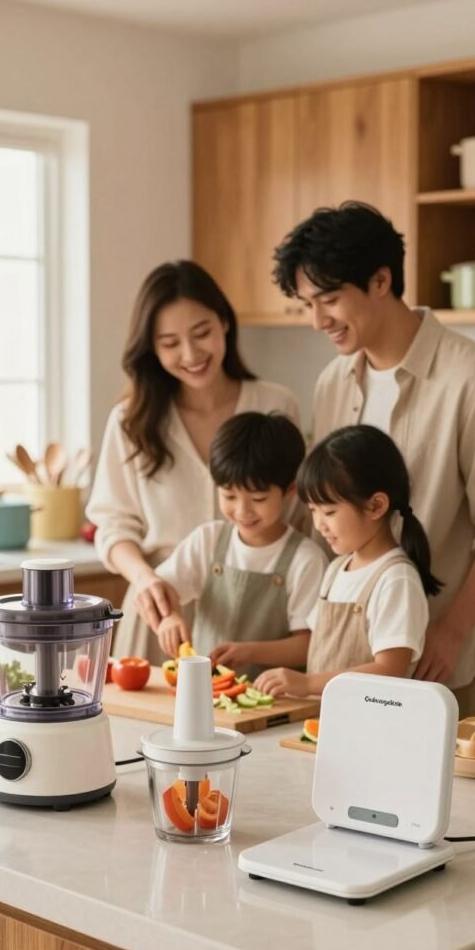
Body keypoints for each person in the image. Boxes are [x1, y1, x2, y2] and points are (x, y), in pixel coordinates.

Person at [271, 201, 475, 716]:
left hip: (438, 662)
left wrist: (452, 630)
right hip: (342, 668)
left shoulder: (474, 379)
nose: (316, 320)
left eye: (328, 299)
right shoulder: (333, 382)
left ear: (380, 280)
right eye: (307, 304)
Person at [86, 260, 304, 664]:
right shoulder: (130, 420)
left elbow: (299, 513)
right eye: (169, 343)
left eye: (201, 332)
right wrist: (146, 579)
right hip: (162, 613)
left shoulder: (275, 404)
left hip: (258, 612)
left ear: (224, 323)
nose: (190, 354)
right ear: (151, 347)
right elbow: (113, 525)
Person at [254, 425, 439, 698]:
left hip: (368, 730)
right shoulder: (336, 570)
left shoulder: (396, 579)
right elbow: (318, 647)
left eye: (329, 511)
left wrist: (307, 684)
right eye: (313, 510)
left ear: (376, 506)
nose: (318, 525)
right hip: (324, 722)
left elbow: (390, 668)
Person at [152, 412, 327, 678]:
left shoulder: (305, 559)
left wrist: (249, 652)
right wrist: (170, 617)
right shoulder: (208, 540)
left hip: (275, 700)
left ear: (291, 489)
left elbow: (308, 646)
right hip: (207, 691)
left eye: (258, 498)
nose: (242, 510)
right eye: (229, 495)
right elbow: (163, 589)